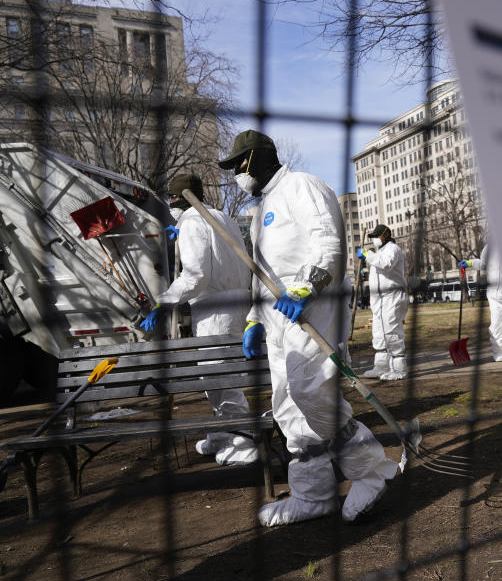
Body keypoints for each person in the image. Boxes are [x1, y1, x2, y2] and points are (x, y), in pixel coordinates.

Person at [219, 129, 399, 526]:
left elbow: (327, 244)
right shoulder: (261, 210)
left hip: (313, 309)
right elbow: (261, 272)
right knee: (286, 406)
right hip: (277, 320)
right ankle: (313, 494)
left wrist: (305, 286)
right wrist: (253, 318)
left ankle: (372, 470)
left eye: (236, 166)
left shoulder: (303, 186)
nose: (235, 175)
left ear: (256, 159)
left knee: (311, 391)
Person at [139, 174, 259, 466]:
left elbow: (196, 275)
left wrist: (163, 303)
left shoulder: (193, 222)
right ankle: (222, 432)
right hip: (233, 301)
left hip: (215, 307)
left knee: (220, 376)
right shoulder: (222, 217)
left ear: (177, 199)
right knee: (213, 376)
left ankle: (244, 438)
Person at [356, 224, 408, 381]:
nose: (374, 240)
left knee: (391, 331)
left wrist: (367, 255)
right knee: (379, 333)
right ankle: (381, 367)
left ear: (385, 235)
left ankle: (399, 369)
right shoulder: (380, 252)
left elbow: (386, 264)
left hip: (392, 297)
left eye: (376, 236)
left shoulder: (392, 249)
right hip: (379, 300)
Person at [460, 241, 502, 362]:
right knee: (496, 325)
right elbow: (483, 264)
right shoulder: (488, 248)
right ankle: (499, 351)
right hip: (493, 295)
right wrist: (470, 263)